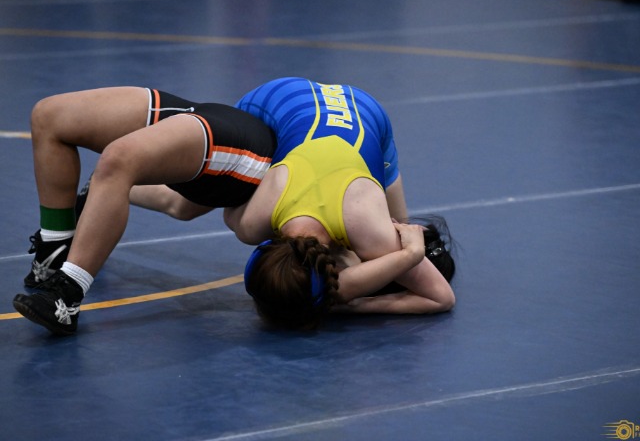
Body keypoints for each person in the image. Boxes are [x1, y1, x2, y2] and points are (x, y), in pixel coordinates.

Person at [13, 87, 275, 335]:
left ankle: (67, 295)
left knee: (119, 160)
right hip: (217, 120)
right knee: (48, 116)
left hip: (247, 150)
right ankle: (55, 249)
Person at [226, 77, 456, 329]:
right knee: (194, 196)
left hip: (344, 108)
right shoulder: (250, 225)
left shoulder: (371, 230)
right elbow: (440, 297)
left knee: (398, 234)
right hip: (281, 98)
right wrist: (347, 300)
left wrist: (356, 302)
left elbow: (441, 298)